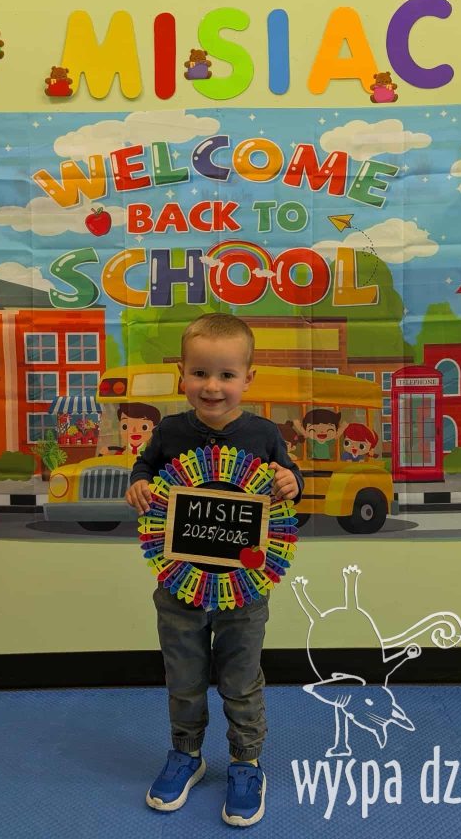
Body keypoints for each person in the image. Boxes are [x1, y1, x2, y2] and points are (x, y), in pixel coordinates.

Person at [125, 313, 303, 827]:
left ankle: (246, 762)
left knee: (241, 679)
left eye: (227, 375)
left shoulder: (264, 434)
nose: (212, 386)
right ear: (182, 374)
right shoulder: (169, 432)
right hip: (180, 584)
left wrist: (290, 482)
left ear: (249, 378)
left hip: (243, 589)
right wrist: (138, 484)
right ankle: (186, 754)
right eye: (200, 373)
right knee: (183, 676)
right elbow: (144, 468)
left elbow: (289, 480)